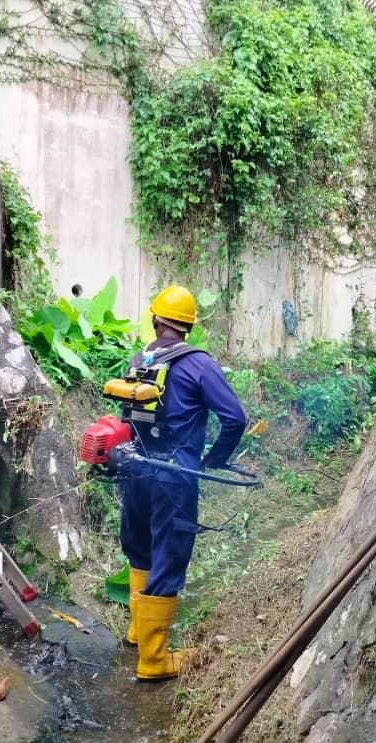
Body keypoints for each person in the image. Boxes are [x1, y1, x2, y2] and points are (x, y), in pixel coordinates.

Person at [120, 285, 247, 681]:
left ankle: (137, 632)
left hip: (134, 470)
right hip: (175, 479)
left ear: (156, 318)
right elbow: (235, 419)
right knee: (169, 554)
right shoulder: (200, 365)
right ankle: (154, 660)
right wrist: (215, 459)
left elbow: (126, 417)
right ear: (189, 326)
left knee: (140, 547)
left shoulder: (139, 359)